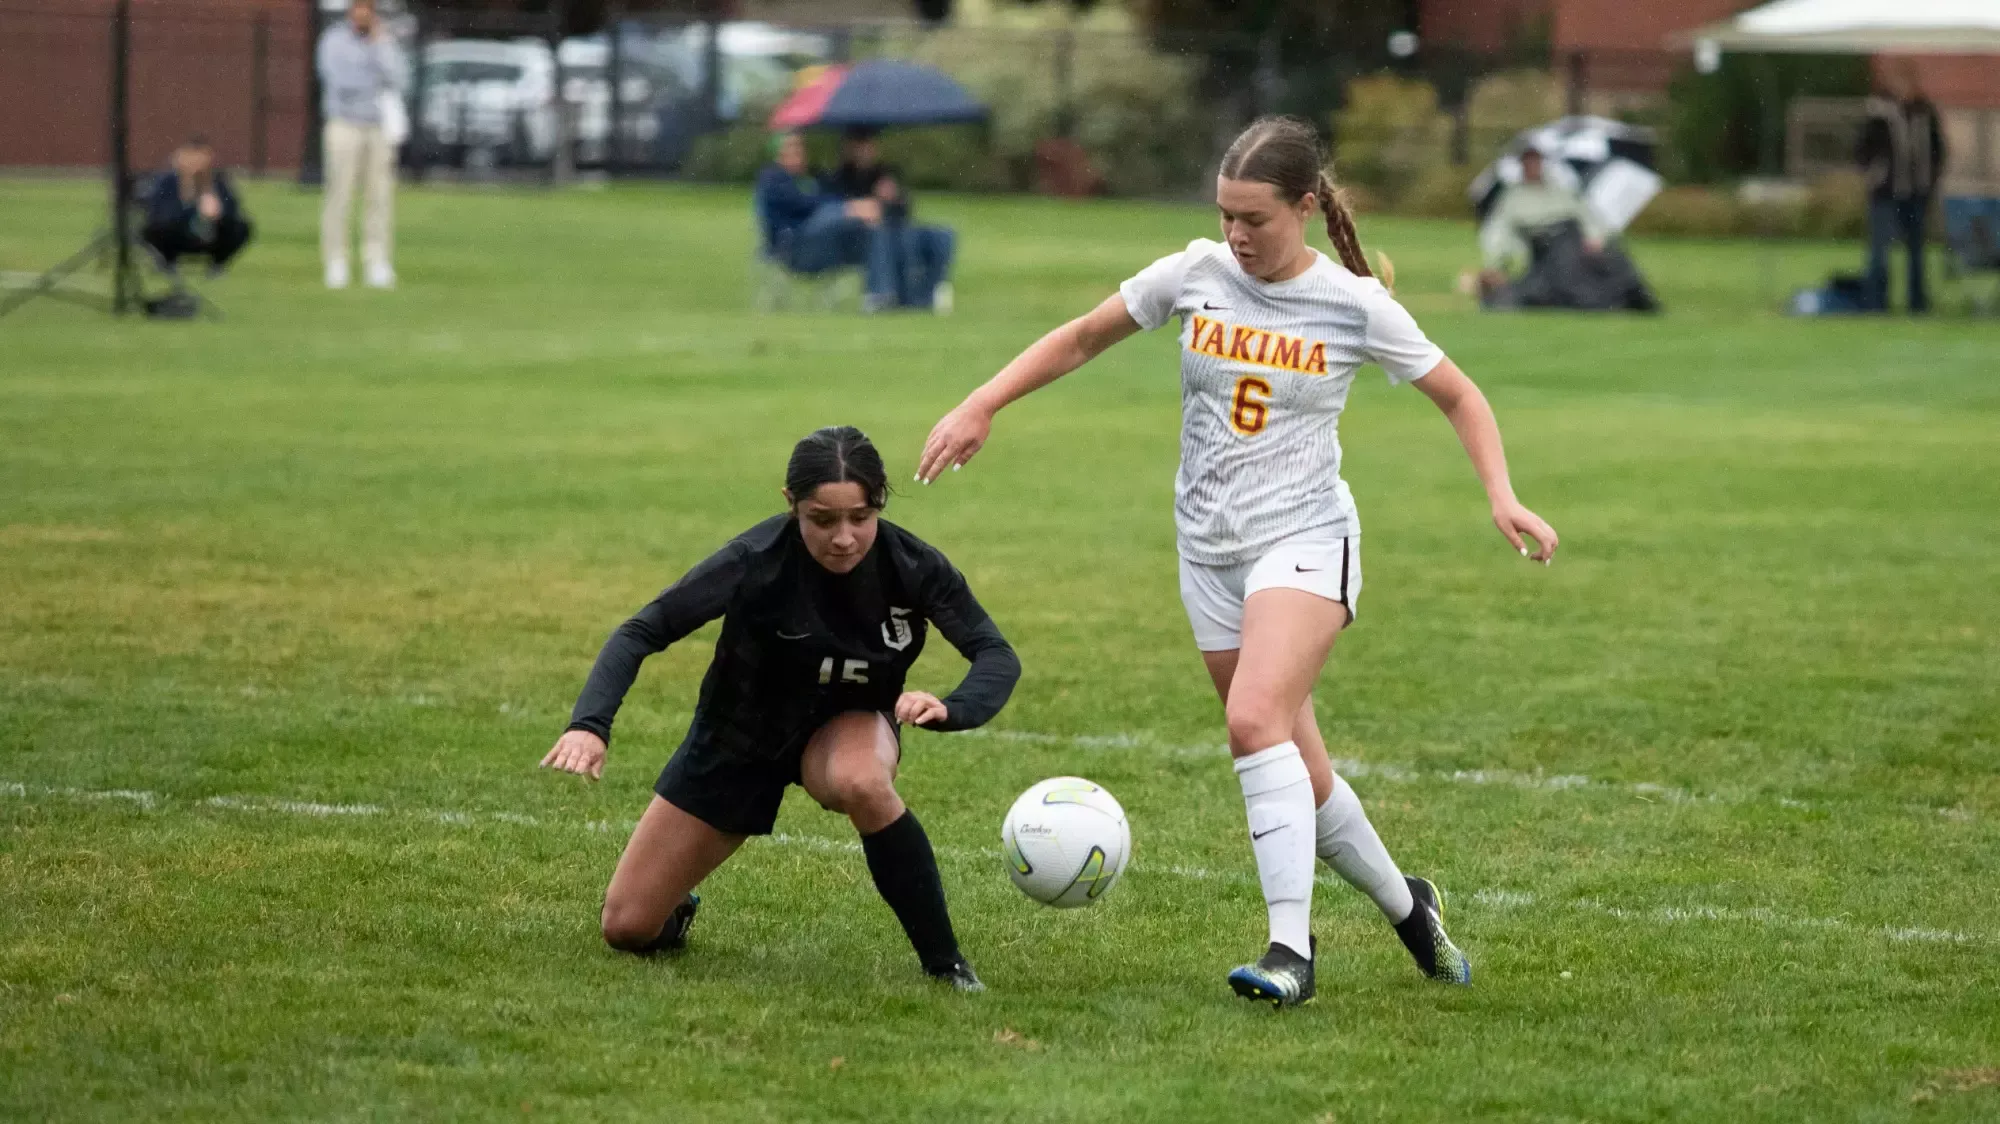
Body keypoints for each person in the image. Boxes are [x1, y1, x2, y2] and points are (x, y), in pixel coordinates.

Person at [918, 116, 1559, 1007]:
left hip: (1305, 539)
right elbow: (1081, 337)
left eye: (1254, 218)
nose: (1236, 234)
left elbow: (1460, 395)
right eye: (1225, 215)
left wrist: (1501, 493)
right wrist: (982, 403)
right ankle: (1409, 908)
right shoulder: (1195, 272)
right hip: (1207, 550)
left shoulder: (1353, 304)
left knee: (1254, 721)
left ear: (1305, 207)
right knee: (1303, 771)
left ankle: (1290, 952)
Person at [540, 427, 1020, 992]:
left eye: (861, 517)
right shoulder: (754, 560)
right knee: (627, 928)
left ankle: (946, 965)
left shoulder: (912, 565)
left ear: (879, 504)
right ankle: (677, 901)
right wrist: (589, 726)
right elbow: (642, 631)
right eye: (823, 520)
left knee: (863, 781)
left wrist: (953, 706)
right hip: (740, 736)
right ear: (791, 504)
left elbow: (995, 654)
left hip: (844, 727)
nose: (844, 538)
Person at [316, 0, 405, 290]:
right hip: (344, 123)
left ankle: (376, 261)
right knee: (339, 193)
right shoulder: (334, 41)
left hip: (377, 126)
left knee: (378, 196)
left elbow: (396, 77)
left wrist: (378, 46)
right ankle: (336, 261)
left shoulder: (384, 41)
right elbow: (339, 80)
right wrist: (370, 79)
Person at [752, 132, 900, 304]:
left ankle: (881, 295)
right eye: (790, 147)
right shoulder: (773, 179)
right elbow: (803, 204)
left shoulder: (811, 178)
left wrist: (883, 195)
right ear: (777, 153)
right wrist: (851, 208)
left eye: (799, 147)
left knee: (872, 233)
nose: (798, 152)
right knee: (844, 213)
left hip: (824, 246)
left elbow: (833, 196)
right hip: (793, 248)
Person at [827, 128, 956, 313]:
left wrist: (894, 198)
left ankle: (931, 290)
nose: (865, 151)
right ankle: (889, 295)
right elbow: (839, 210)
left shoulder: (886, 173)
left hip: (898, 226)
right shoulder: (840, 178)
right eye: (861, 147)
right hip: (865, 235)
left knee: (943, 235)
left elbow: (905, 209)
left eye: (869, 146)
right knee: (895, 239)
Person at [1857, 62, 1947, 314]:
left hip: (1917, 192)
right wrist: (1875, 174)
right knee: (1880, 249)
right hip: (1885, 193)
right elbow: (1862, 149)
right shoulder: (1879, 114)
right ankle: (1876, 303)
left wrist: (1931, 178)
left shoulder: (1925, 114)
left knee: (1916, 251)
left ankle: (1917, 302)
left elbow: (1937, 150)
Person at [1477, 146, 1606, 296]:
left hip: (1573, 239)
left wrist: (1593, 237)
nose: (1533, 166)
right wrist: (1495, 264)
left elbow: (1584, 214)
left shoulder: (1559, 190)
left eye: (1536, 161)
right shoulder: (1513, 197)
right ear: (1522, 164)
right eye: (1529, 162)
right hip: (1545, 248)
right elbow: (1499, 230)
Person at [141, 136, 253, 278]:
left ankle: (218, 263)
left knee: (241, 227)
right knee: (153, 229)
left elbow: (233, 209)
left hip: (210, 236)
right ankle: (167, 261)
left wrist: (219, 212)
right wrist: (188, 207)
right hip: (178, 234)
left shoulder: (217, 182)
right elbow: (157, 213)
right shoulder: (168, 182)